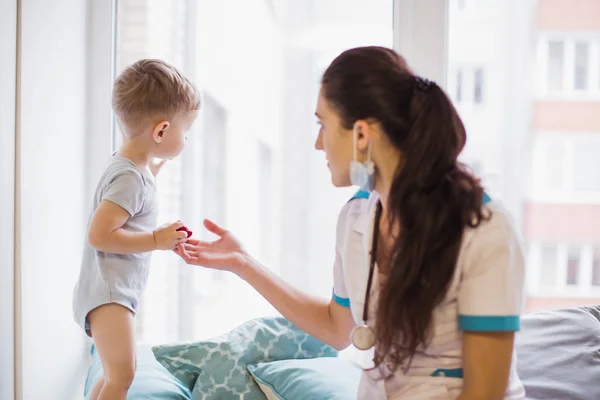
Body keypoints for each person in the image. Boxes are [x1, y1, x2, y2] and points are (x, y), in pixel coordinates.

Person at [175, 46, 525, 399]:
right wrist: (243, 263)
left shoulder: (483, 231)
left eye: (322, 124)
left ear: (361, 135)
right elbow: (336, 327)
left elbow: (484, 394)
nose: (317, 143)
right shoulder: (357, 218)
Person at [72, 59, 200, 400]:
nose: (185, 140)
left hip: (110, 292)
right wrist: (156, 240)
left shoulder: (132, 168)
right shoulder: (130, 177)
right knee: (122, 375)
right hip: (109, 295)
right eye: (184, 132)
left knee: (116, 375)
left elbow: (130, 202)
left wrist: (152, 171)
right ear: (160, 131)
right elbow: (100, 235)